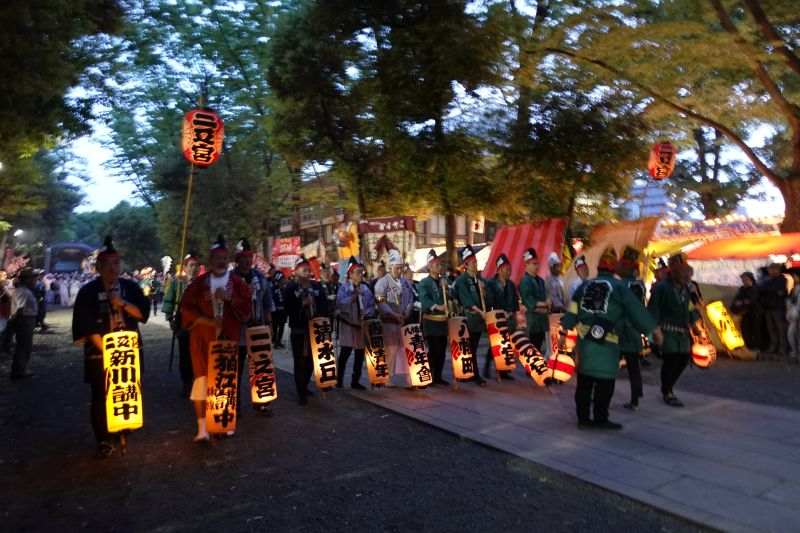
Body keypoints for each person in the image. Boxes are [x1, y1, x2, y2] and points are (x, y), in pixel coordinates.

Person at [561, 245, 662, 430]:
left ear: (598, 267)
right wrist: (653, 331)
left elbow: (572, 310)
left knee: (584, 381)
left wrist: (564, 332)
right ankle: (600, 418)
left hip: (585, 342)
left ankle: (583, 419)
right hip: (607, 344)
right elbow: (636, 311)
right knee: (604, 382)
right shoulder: (620, 288)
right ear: (614, 267)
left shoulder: (585, 286)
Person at [72, 236, 150, 458]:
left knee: (128, 390)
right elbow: (87, 326)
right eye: (106, 264)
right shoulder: (87, 292)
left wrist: (122, 303)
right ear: (98, 267)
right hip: (101, 353)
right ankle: (103, 439)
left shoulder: (131, 287)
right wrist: (108, 353)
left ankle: (124, 427)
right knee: (100, 395)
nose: (112, 268)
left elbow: (142, 314)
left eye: (116, 263)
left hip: (129, 352)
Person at [181, 235, 252, 442]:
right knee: (202, 382)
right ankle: (202, 427)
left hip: (227, 341)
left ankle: (222, 422)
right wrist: (207, 321)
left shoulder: (237, 283)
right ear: (210, 260)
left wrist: (230, 298)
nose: (221, 261)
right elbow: (186, 307)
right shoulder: (198, 284)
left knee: (224, 382)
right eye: (217, 258)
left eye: (224, 258)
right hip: (202, 341)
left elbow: (247, 307)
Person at [647, 252, 701, 407]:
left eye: (688, 274)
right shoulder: (661, 288)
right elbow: (654, 310)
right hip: (667, 332)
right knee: (671, 361)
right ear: (675, 272)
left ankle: (668, 387)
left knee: (684, 360)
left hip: (683, 333)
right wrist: (654, 332)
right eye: (684, 273)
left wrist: (694, 324)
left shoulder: (685, 288)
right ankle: (667, 392)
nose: (688, 277)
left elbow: (689, 306)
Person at [231, 238, 275, 416]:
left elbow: (267, 302)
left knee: (261, 366)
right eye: (244, 257)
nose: (248, 260)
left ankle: (261, 402)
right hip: (239, 330)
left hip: (259, 328)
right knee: (236, 369)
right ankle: (235, 405)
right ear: (237, 259)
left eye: (250, 256)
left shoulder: (260, 277)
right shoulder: (231, 278)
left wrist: (269, 324)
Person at [283, 255, 329, 405]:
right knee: (300, 361)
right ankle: (301, 391)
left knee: (312, 361)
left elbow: (324, 305)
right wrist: (301, 303)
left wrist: (319, 311)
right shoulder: (291, 288)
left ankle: (305, 384)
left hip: (315, 329)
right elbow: (287, 308)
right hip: (299, 330)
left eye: (309, 270)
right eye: (304, 270)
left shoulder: (317, 287)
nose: (308, 272)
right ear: (296, 271)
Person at [161, 251, 201, 398]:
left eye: (196, 265)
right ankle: (186, 382)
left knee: (199, 355)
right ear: (184, 267)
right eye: (191, 265)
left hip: (200, 325)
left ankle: (199, 381)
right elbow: (169, 301)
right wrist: (170, 319)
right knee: (185, 355)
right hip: (183, 325)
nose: (194, 268)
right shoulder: (178, 284)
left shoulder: (203, 283)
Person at [374, 250, 414, 387]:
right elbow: (381, 302)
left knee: (404, 350)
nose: (399, 271)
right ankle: (387, 377)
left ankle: (408, 377)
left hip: (402, 320)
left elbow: (410, 298)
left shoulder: (405, 282)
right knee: (390, 349)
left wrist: (407, 311)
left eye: (400, 268)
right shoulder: (381, 283)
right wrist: (394, 314)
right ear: (390, 267)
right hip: (389, 321)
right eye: (397, 268)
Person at [335, 256, 375, 390]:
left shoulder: (365, 289)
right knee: (345, 353)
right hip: (348, 325)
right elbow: (340, 304)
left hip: (361, 325)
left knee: (359, 353)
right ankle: (339, 379)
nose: (360, 274)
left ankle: (355, 381)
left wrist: (367, 313)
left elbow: (371, 304)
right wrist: (353, 297)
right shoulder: (344, 288)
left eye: (361, 272)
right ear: (350, 274)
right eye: (357, 272)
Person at [616, 247, 648, 411]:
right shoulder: (640, 286)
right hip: (634, 332)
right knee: (634, 368)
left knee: (608, 366)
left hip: (618, 332)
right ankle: (635, 400)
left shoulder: (618, 285)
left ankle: (602, 397)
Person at [453, 244, 487, 386]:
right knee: (469, 347)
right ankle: (473, 374)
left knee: (473, 347)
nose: (475, 265)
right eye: (473, 262)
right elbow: (467, 301)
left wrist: (483, 290)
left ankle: (469, 373)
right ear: (466, 264)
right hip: (469, 317)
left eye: (476, 262)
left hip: (478, 318)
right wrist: (480, 312)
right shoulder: (461, 280)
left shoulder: (478, 279)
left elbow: (484, 299)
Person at [417, 249, 450, 386]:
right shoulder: (424, 282)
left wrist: (447, 288)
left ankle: (438, 377)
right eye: (437, 265)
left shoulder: (443, 281)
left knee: (442, 351)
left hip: (443, 322)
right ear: (430, 267)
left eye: (440, 265)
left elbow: (450, 297)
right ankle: (429, 376)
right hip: (431, 321)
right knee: (434, 350)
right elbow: (424, 299)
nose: (440, 267)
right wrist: (437, 306)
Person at [485, 253, 519, 380]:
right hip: (497, 318)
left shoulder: (511, 284)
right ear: (499, 270)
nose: (509, 272)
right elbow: (490, 301)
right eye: (506, 270)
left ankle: (504, 371)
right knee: (496, 344)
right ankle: (487, 366)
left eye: (510, 270)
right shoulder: (491, 283)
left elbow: (515, 301)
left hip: (508, 318)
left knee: (507, 345)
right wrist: (499, 312)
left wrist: (512, 313)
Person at [9, 268, 39, 379]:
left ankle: (20, 369)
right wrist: (13, 323)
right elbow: (20, 310)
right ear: (27, 279)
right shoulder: (23, 292)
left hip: (26, 320)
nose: (35, 280)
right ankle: (20, 370)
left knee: (24, 345)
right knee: (24, 346)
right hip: (24, 321)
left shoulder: (23, 290)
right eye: (33, 278)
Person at [519, 248, 548, 353]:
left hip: (542, 321)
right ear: (526, 265)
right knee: (533, 352)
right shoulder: (525, 281)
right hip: (532, 323)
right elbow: (529, 301)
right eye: (533, 264)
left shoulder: (541, 280)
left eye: (537, 263)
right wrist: (546, 304)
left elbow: (544, 297)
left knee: (538, 350)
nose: (536, 266)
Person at [760, 262, 789, 359]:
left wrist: (771, 290)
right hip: (769, 307)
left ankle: (783, 347)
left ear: (776, 270)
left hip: (778, 308)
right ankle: (774, 345)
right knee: (771, 328)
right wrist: (773, 290)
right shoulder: (769, 280)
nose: (768, 272)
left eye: (770, 270)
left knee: (781, 328)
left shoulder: (782, 279)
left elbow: (774, 288)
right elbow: (763, 289)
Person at [731, 271, 762, 351]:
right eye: (742, 279)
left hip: (755, 312)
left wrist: (742, 302)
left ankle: (758, 346)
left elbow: (752, 299)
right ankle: (749, 346)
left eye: (745, 279)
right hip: (745, 313)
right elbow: (737, 298)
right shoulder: (743, 289)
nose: (744, 280)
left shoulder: (755, 288)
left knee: (756, 329)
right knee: (745, 329)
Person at [270, 270, 287, 348]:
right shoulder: (273, 289)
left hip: (283, 311)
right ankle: (274, 340)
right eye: (283, 278)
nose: (285, 280)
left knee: (282, 326)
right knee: (275, 326)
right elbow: (271, 300)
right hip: (276, 311)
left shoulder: (285, 289)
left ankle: (279, 341)